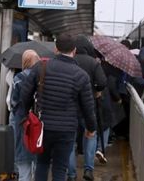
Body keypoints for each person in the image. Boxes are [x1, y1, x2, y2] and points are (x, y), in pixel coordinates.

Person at [21, 33, 97, 181]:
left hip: (42, 127)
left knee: (42, 163)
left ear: (56, 49)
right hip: (66, 130)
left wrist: (25, 116)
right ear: (74, 51)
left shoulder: (40, 67)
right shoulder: (81, 75)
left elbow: (25, 94)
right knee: (60, 168)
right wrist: (91, 128)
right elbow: (88, 106)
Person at [67, 35, 107, 181]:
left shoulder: (69, 60)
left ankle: (71, 174)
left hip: (70, 107)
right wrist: (96, 89)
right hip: (88, 105)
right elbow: (102, 82)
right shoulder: (94, 63)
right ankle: (88, 170)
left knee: (70, 140)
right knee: (90, 135)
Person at [9, 50, 40, 181]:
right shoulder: (42, 78)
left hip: (23, 122)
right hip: (38, 123)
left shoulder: (18, 78)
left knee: (23, 162)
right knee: (38, 160)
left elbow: (13, 102)